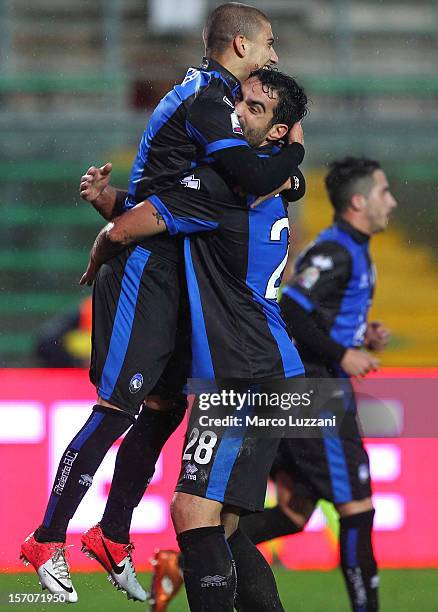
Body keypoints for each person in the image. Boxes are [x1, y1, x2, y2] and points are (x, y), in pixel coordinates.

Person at [20, 3, 304, 603]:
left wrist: (114, 210)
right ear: (241, 46)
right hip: (145, 268)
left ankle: (112, 533)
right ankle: (47, 537)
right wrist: (109, 235)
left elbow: (205, 187)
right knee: (120, 408)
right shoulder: (208, 103)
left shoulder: (218, 108)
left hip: (171, 267)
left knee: (165, 406)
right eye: (269, 42)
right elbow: (238, 183)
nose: (275, 52)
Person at [80, 69, 308, 612]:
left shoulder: (224, 186)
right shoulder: (255, 182)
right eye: (240, 100)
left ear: (276, 133)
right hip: (267, 369)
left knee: (191, 512)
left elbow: (131, 227)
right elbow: (164, 206)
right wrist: (111, 199)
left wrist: (104, 240)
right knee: (224, 528)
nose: (237, 110)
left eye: (253, 108)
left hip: (243, 373)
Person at [149, 157, 396, 612]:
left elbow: (318, 318)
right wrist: (343, 354)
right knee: (357, 510)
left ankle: (187, 564)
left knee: (292, 511)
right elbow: (295, 311)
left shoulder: (353, 250)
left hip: (294, 386)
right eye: (384, 192)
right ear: (359, 201)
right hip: (316, 395)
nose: (392, 202)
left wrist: (359, 337)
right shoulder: (334, 252)